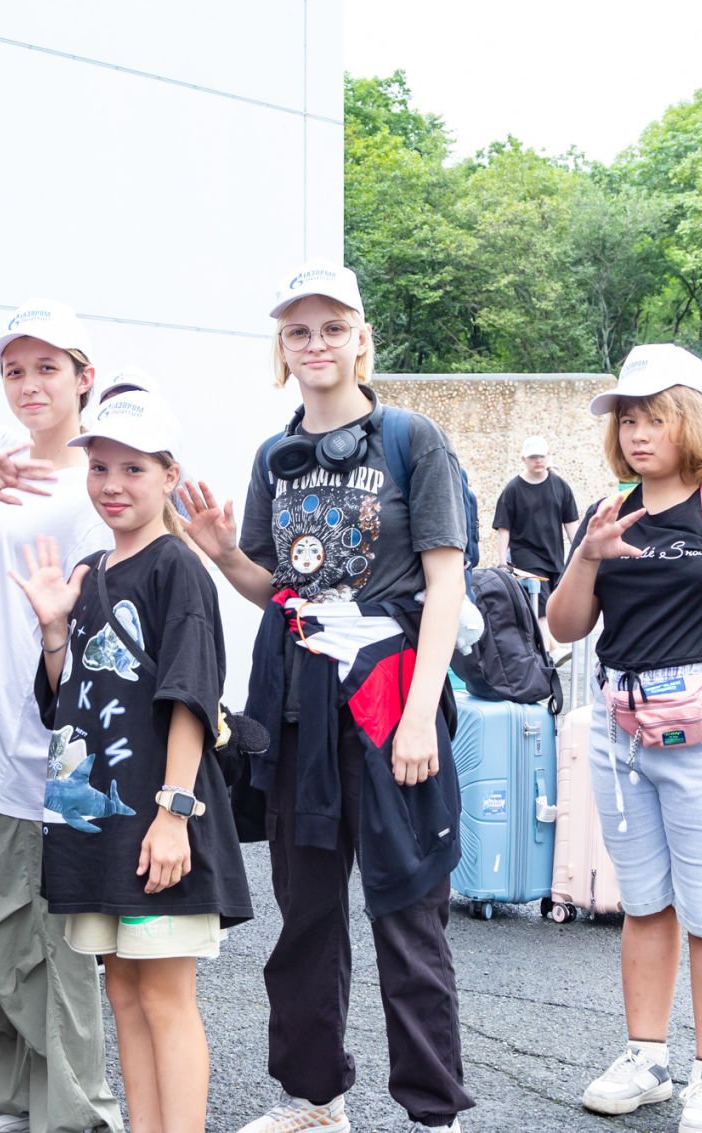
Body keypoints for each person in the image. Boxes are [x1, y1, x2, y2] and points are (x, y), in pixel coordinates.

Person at [181, 264, 473, 1133]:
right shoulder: (274, 456)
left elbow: (446, 583)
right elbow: (274, 586)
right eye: (299, 331)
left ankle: (435, 1113)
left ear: (361, 339)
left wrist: (419, 717)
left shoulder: (412, 439)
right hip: (297, 709)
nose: (316, 344)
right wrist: (221, 553)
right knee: (305, 916)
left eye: (333, 328)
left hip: (389, 703)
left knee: (408, 913)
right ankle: (315, 1099)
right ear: (283, 346)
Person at [546, 343, 702, 1133]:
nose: (637, 432)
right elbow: (565, 625)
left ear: (691, 420)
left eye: (654, 417)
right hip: (621, 729)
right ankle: (646, 1058)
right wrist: (587, 556)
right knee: (646, 903)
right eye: (628, 419)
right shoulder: (608, 510)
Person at [13, 386, 251, 1133]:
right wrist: (55, 632)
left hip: (158, 821)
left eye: (133, 468)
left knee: (164, 997)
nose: (112, 484)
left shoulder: (177, 567)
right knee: (122, 993)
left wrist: (173, 814)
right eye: (100, 467)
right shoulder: (89, 570)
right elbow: (67, 703)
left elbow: (191, 697)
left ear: (169, 475)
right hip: (101, 827)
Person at [0, 301, 121, 1133]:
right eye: (15, 369)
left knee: (37, 946)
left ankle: (80, 1115)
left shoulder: (94, 487)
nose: (30, 384)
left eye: (48, 368)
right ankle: (14, 1101)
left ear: (84, 378)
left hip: (32, 753)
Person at [492, 433, 579, 644]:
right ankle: (549, 650)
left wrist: (579, 553)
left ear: (548, 456)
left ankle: (548, 648)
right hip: (526, 556)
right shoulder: (513, 490)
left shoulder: (560, 486)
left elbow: (571, 523)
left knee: (551, 606)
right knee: (540, 606)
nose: (538, 461)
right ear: (524, 459)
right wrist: (502, 561)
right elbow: (503, 528)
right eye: (533, 457)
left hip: (554, 556)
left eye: (541, 456)